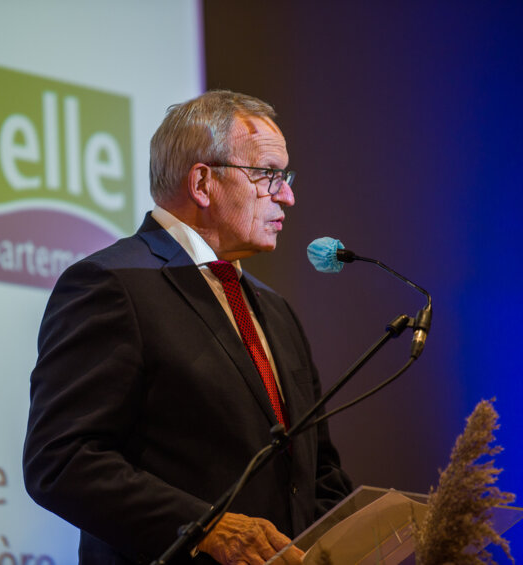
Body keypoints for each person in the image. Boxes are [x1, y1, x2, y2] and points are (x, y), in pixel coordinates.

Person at [23, 90, 351, 565]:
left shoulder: (276, 312)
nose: (288, 195)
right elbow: (61, 461)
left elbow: (319, 475)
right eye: (268, 175)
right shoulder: (112, 285)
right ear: (203, 183)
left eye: (287, 177)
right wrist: (207, 529)